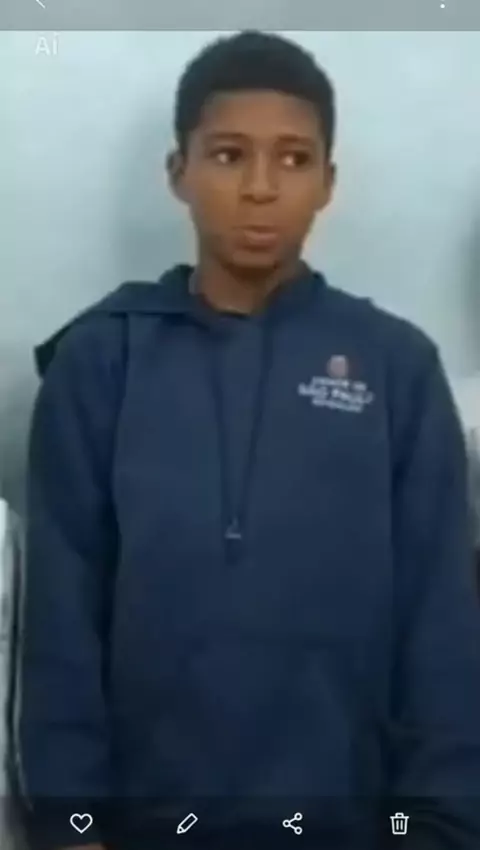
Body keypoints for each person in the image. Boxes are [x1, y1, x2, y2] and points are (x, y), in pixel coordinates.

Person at [14, 30, 480, 850]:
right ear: (179, 172)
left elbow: (439, 620)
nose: (261, 188)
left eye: (293, 160)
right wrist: (72, 822)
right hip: (147, 823)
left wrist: (439, 826)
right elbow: (61, 614)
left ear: (328, 181)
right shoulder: (104, 358)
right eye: (229, 156)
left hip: (352, 823)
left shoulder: (396, 367)